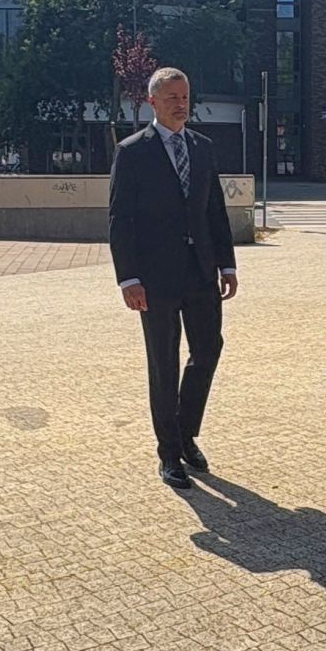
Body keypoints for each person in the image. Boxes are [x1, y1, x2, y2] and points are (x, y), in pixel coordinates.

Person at [109, 67, 239, 491]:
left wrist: (227, 264)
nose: (181, 105)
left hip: (201, 272)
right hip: (155, 277)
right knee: (163, 363)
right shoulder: (132, 152)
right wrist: (128, 278)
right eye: (171, 98)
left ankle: (185, 432)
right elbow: (119, 219)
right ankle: (169, 452)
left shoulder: (202, 148)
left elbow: (215, 210)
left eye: (185, 97)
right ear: (152, 102)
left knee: (207, 350)